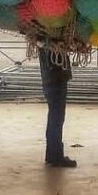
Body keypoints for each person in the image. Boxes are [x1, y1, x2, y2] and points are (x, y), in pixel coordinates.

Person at [37, 39, 76, 168]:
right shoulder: (50, 44)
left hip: (50, 82)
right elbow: (57, 58)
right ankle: (57, 157)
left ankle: (51, 155)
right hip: (56, 83)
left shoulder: (44, 43)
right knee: (57, 120)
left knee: (53, 119)